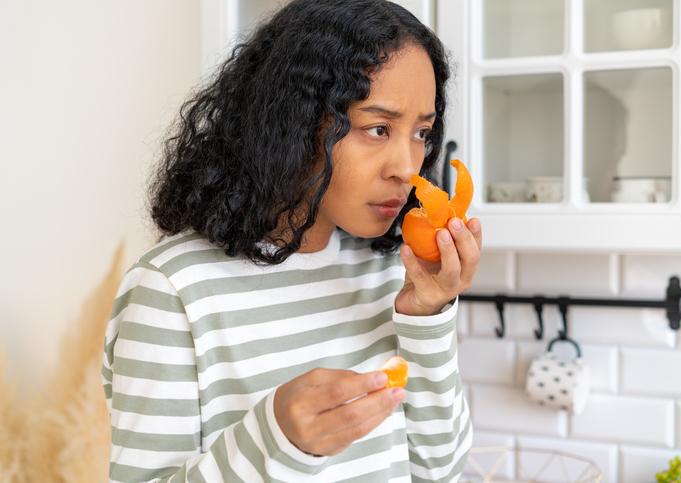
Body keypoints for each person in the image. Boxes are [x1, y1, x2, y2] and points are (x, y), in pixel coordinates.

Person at [102, 0, 481, 481]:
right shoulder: (173, 290)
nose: (408, 167)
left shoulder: (392, 272)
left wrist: (427, 317)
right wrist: (274, 438)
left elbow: (439, 470)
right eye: (377, 128)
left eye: (421, 132)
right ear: (295, 122)